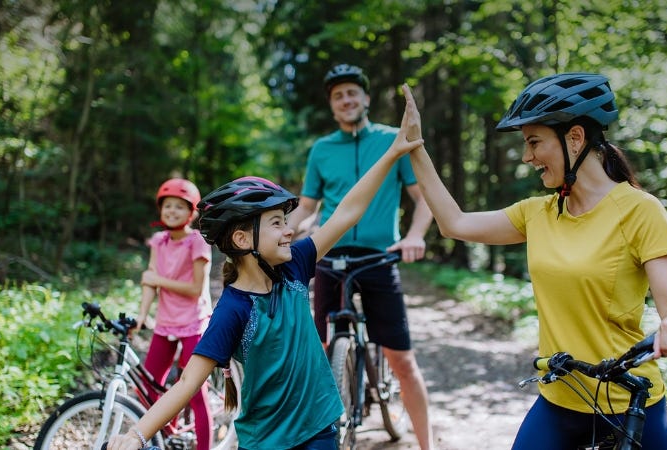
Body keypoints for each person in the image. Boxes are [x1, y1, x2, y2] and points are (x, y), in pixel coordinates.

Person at [393, 77, 667, 449]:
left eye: (534, 142)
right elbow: (454, 223)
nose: (527, 157)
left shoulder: (640, 211)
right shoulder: (537, 213)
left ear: (575, 138)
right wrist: (416, 147)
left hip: (629, 403)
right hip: (561, 398)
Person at [107, 87, 425, 450]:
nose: (290, 229)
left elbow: (348, 210)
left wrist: (395, 151)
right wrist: (136, 434)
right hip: (267, 442)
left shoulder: (295, 267)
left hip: (320, 426)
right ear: (243, 240)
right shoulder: (233, 309)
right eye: (276, 223)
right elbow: (187, 383)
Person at [286, 64, 436, 450]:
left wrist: (415, 235)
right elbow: (306, 207)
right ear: (331, 105)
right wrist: (284, 234)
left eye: (352, 92)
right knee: (318, 352)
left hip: (379, 258)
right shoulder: (322, 149)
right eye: (338, 95)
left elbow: (424, 201)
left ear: (366, 98)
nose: (346, 100)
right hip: (329, 256)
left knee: (402, 361)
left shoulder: (393, 141)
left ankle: (428, 446)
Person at [135, 178, 214, 450]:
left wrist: (157, 279)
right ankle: (171, 433)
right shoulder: (159, 241)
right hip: (166, 323)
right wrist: (142, 315)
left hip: (194, 323)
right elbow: (149, 283)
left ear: (191, 212)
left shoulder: (197, 242)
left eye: (179, 207)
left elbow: (194, 288)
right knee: (145, 388)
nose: (171, 211)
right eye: (167, 206)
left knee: (194, 392)